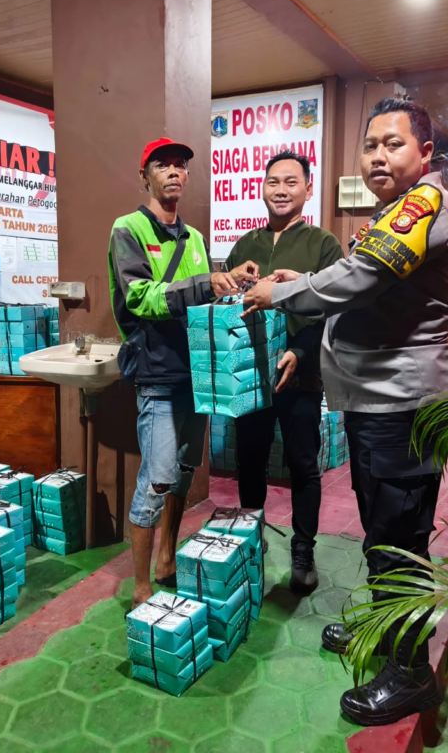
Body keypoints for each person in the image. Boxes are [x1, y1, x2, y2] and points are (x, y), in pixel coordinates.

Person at [241, 98, 448, 726]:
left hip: (404, 405)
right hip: (378, 403)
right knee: (382, 531)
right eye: (370, 146)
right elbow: (364, 275)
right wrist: (304, 279)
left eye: (394, 144)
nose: (378, 156)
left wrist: (282, 290)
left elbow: (363, 277)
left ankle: (411, 672)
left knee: (401, 541)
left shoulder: (426, 203)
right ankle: (385, 632)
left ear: (424, 152)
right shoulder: (395, 210)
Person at [108, 137, 255, 609]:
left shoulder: (194, 239)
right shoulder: (128, 229)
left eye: (180, 165)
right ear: (145, 176)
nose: (174, 172)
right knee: (156, 479)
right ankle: (141, 587)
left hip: (198, 376)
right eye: (162, 165)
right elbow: (140, 297)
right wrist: (203, 283)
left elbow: (202, 301)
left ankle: (167, 559)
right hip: (157, 376)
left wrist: (231, 282)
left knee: (184, 473)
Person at [224, 149, 344, 594]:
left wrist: (298, 351)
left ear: (308, 190)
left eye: (291, 182)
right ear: (262, 188)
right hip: (251, 377)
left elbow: (331, 312)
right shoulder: (245, 245)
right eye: (273, 181)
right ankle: (251, 542)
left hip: (301, 376)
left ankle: (303, 550)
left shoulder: (324, 244)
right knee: (249, 462)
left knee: (303, 465)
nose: (281, 190)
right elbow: (227, 306)